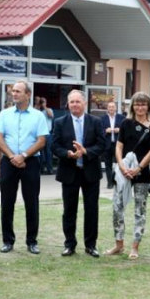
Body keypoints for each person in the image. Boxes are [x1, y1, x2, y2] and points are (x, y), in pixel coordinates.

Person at [0, 81, 48, 254]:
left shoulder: (38, 116)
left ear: (28, 94)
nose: (14, 94)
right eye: (13, 91)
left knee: (31, 202)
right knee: (6, 202)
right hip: (8, 161)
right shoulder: (4, 114)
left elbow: (41, 141)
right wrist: (12, 156)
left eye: (18, 91)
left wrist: (23, 156)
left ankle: (32, 241)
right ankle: (7, 241)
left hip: (30, 162)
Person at [51, 89, 107, 257]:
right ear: (68, 104)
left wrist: (86, 152)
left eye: (77, 101)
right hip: (69, 171)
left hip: (90, 172)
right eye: (71, 102)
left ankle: (91, 245)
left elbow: (102, 145)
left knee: (91, 210)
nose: (74, 104)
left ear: (85, 103)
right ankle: (69, 244)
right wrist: (68, 154)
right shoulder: (60, 122)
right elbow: (54, 146)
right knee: (69, 210)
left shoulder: (95, 121)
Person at [104, 92, 150, 259]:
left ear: (148, 106)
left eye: (143, 104)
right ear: (132, 106)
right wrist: (121, 166)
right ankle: (118, 245)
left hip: (141, 174)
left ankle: (135, 247)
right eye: (137, 104)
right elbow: (119, 147)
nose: (140, 107)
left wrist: (139, 169)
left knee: (139, 211)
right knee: (117, 208)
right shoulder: (126, 123)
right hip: (123, 172)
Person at [102, 101, 124, 189]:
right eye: (109, 107)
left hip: (118, 145)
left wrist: (120, 130)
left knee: (119, 164)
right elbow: (99, 131)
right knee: (108, 165)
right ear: (107, 108)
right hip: (107, 145)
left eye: (113, 107)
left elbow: (126, 129)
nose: (111, 108)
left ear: (115, 108)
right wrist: (105, 131)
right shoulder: (102, 118)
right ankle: (110, 182)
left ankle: (119, 181)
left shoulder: (121, 118)